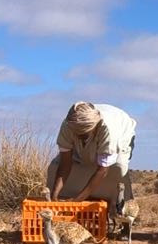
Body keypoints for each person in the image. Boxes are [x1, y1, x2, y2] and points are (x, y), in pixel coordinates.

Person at [46, 101, 137, 236]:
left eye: (84, 134)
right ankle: (72, 217)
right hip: (90, 131)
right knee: (54, 167)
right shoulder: (69, 124)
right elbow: (65, 163)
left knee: (117, 169)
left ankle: (120, 215)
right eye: (77, 134)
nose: (80, 138)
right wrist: (54, 197)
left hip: (121, 132)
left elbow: (103, 170)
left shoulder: (108, 130)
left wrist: (77, 201)